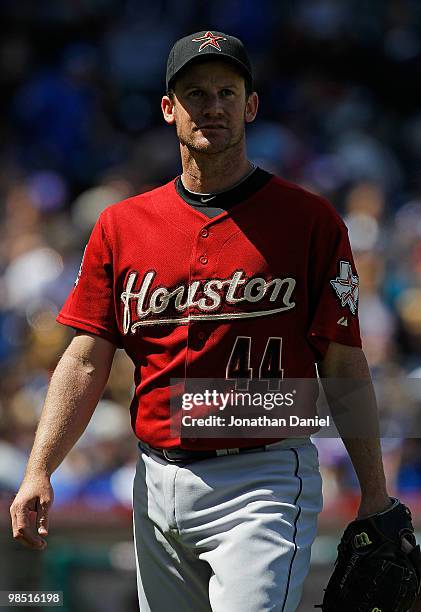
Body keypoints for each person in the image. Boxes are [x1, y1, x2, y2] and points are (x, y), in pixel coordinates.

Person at [10, 31, 394, 611]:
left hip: (264, 475)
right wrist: (40, 469)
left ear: (251, 105)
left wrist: (375, 492)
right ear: (169, 109)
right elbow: (85, 358)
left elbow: (342, 361)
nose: (212, 106)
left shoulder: (308, 220)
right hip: (154, 479)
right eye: (195, 93)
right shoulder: (122, 225)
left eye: (226, 91)